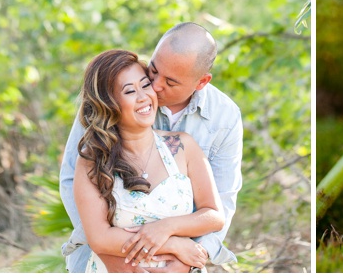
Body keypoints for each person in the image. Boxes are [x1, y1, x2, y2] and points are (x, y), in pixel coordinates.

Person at [60, 23, 243, 272]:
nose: (154, 87)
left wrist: (185, 258)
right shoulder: (110, 102)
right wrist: (119, 262)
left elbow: (221, 202)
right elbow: (72, 181)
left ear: (201, 82)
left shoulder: (222, 119)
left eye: (170, 81)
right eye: (153, 71)